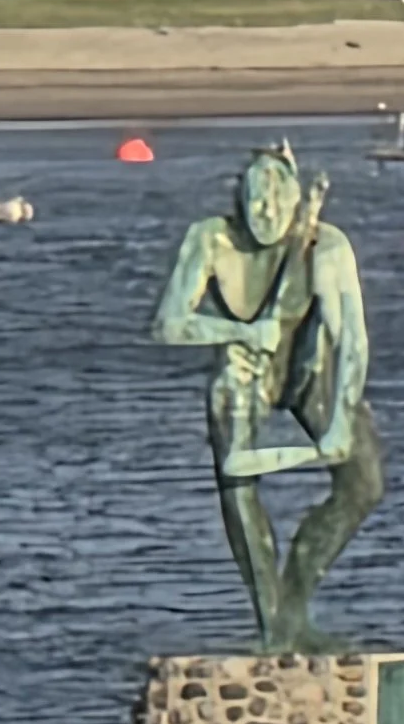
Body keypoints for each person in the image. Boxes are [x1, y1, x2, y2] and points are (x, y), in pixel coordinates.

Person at [151, 143, 385, 653]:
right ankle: (271, 623)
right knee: (238, 486)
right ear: (239, 198)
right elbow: (168, 324)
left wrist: (341, 418)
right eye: (256, 200)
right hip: (244, 370)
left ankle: (296, 605)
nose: (267, 212)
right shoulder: (209, 239)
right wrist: (237, 332)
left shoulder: (325, 246)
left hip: (308, 367)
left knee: (363, 483)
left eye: (278, 201)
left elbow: (352, 340)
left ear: (297, 200)